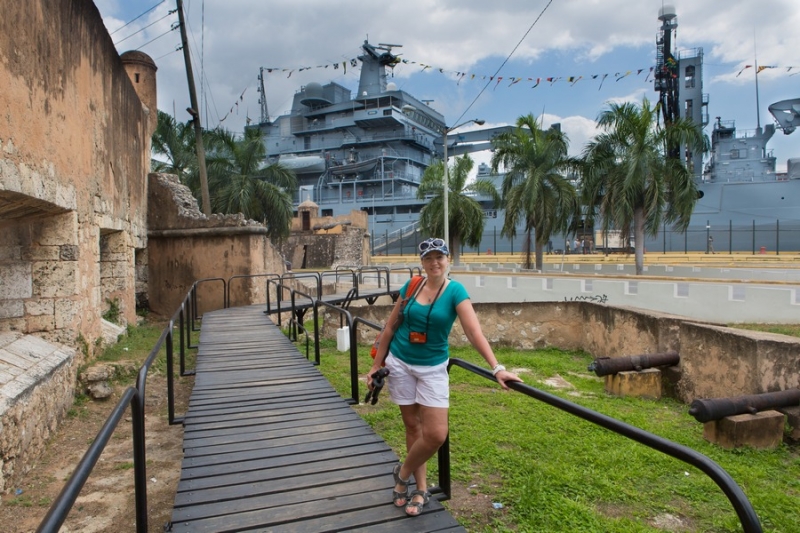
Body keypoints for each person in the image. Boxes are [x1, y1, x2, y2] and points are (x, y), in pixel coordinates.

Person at [367, 237, 523, 517]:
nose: (434, 262)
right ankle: (420, 488)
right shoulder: (412, 286)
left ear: (448, 260)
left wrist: (497, 367)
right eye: (428, 258)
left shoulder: (455, 292)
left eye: (439, 257)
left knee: (436, 433)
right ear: (422, 263)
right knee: (413, 428)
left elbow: (474, 332)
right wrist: (375, 365)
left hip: (433, 368)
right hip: (401, 362)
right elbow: (390, 327)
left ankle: (402, 474)